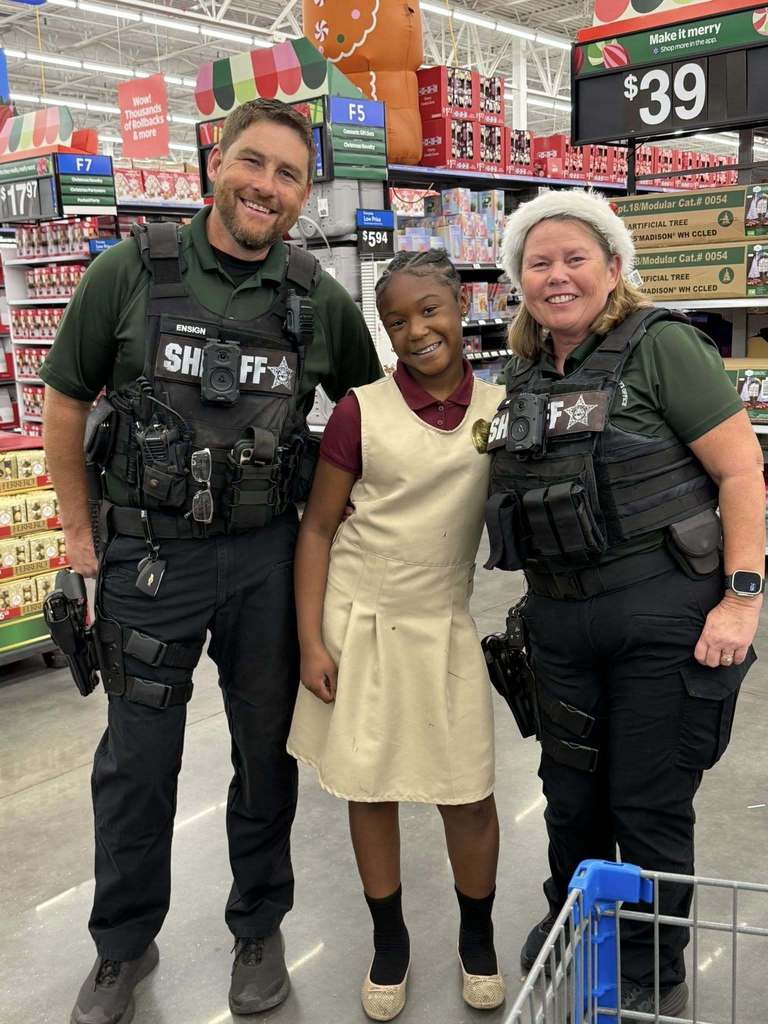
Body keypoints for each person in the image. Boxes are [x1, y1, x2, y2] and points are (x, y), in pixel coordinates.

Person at [41, 98, 381, 1024]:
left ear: (305, 195)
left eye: (288, 176)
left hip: (271, 563)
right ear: (215, 163)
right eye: (253, 163)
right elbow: (67, 402)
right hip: (149, 563)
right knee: (138, 763)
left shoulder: (316, 295)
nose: (266, 187)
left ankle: (259, 926)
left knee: (265, 757)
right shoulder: (129, 272)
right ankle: (121, 947)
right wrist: (79, 538)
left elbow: (373, 415)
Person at [484, 189, 763, 1017]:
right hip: (559, 623)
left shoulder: (662, 346)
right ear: (519, 279)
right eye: (540, 263)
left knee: (645, 798)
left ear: (614, 267)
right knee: (569, 794)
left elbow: (742, 474)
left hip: (661, 611)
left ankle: (650, 961)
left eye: (576, 258)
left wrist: (743, 601)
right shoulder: (525, 372)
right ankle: (579, 915)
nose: (558, 275)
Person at [286, 250, 505, 1021]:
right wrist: (313, 641)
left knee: (468, 791)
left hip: (443, 620)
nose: (418, 331)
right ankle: (390, 942)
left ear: (460, 307)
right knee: (368, 786)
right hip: (362, 618)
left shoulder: (505, 408)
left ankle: (476, 939)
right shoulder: (359, 411)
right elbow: (317, 528)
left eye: (431, 311)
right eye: (398, 321)